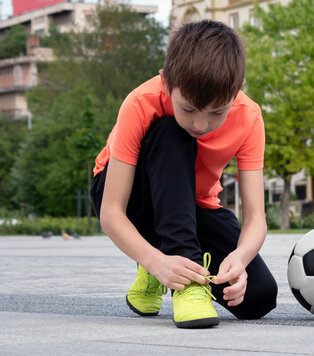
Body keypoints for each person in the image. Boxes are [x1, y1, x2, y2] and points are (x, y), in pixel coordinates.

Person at [90, 20, 277, 328]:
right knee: (172, 131)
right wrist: (156, 262)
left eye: (217, 112)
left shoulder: (250, 117)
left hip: (191, 205)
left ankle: (168, 254)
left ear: (238, 88)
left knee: (258, 296)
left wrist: (240, 259)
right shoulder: (141, 101)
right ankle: (186, 283)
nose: (201, 124)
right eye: (189, 109)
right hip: (132, 197)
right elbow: (111, 212)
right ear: (166, 83)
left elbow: (256, 218)